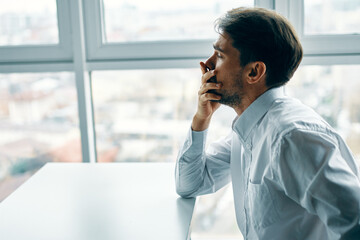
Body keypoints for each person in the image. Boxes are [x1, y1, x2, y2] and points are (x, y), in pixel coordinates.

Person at [175, 7, 360, 240]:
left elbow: (356, 224)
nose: (208, 65)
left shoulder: (292, 139)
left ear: (254, 72)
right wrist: (201, 119)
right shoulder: (248, 130)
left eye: (220, 55)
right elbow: (189, 185)